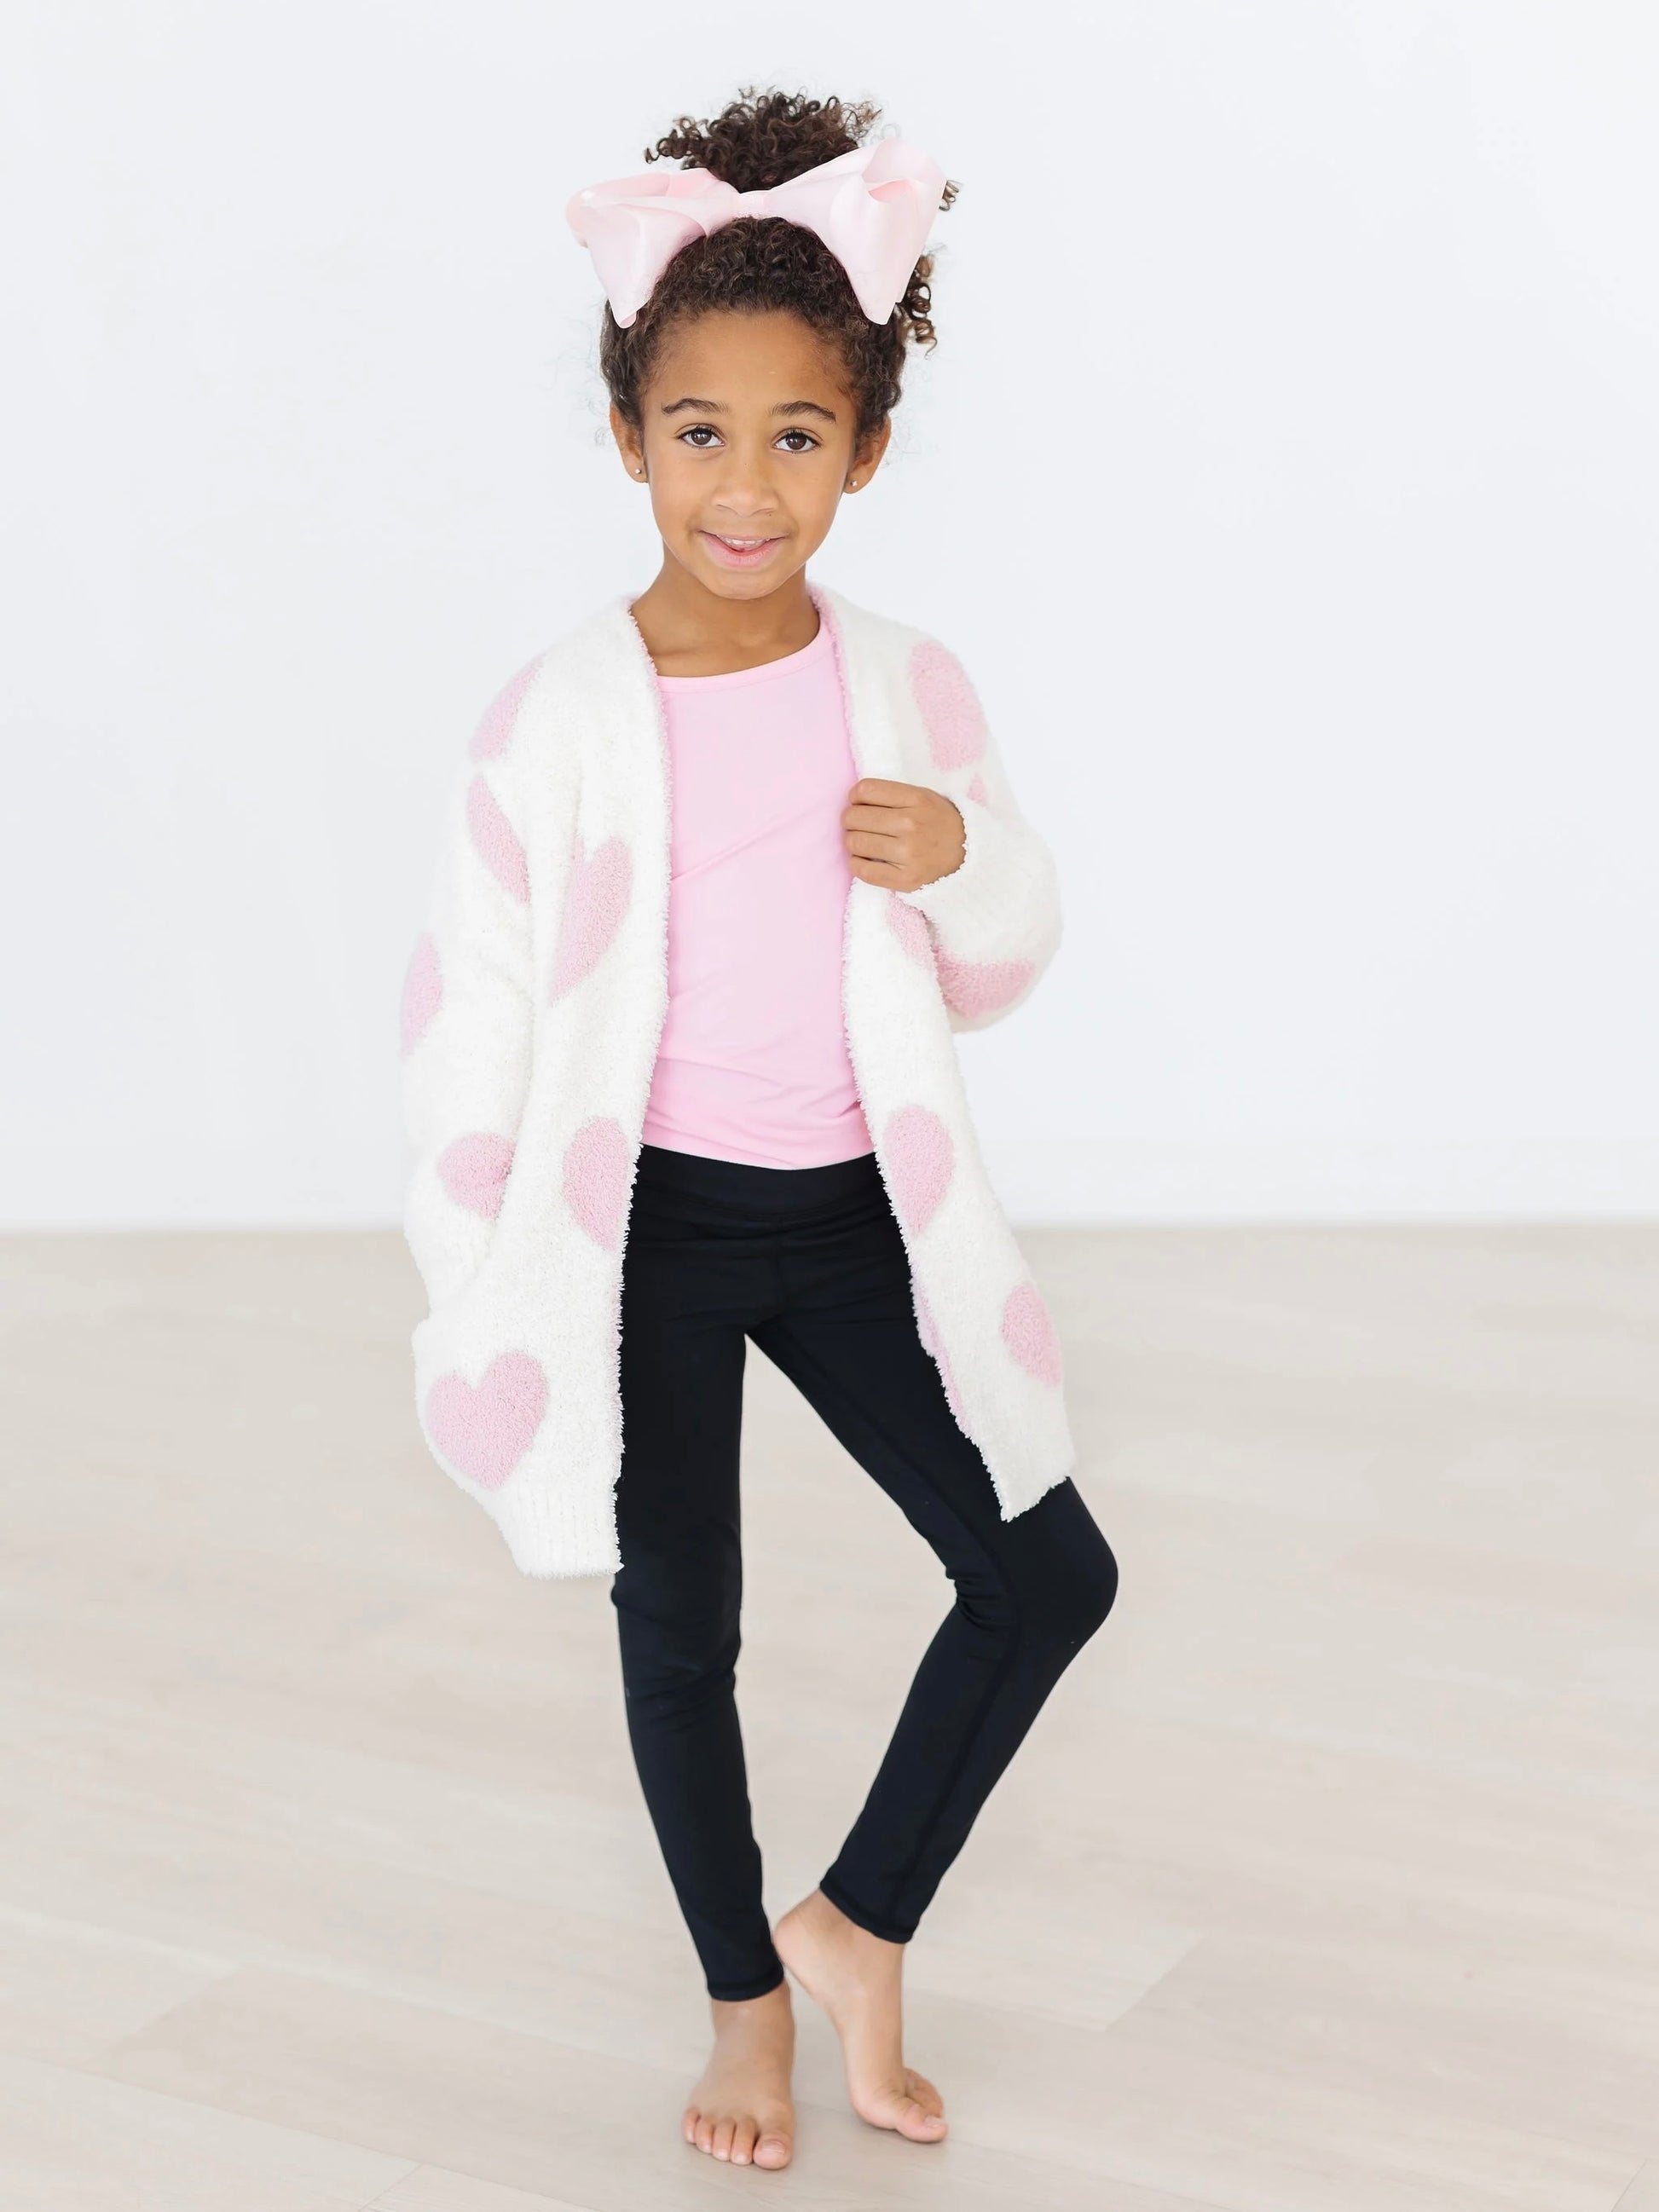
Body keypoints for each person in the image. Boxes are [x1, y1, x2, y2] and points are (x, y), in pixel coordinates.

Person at [399, 86, 1118, 2175]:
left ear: (865, 448)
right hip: (642, 1234)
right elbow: (470, 1020)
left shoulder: (903, 686)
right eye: (698, 430)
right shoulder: (558, 715)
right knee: (679, 1625)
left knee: (1044, 1567)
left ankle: (854, 1923)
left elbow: (1004, 951)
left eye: (796, 434)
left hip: (852, 1219)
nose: (744, 483)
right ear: (628, 436)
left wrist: (961, 856)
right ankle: (742, 2000)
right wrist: (483, 1269)